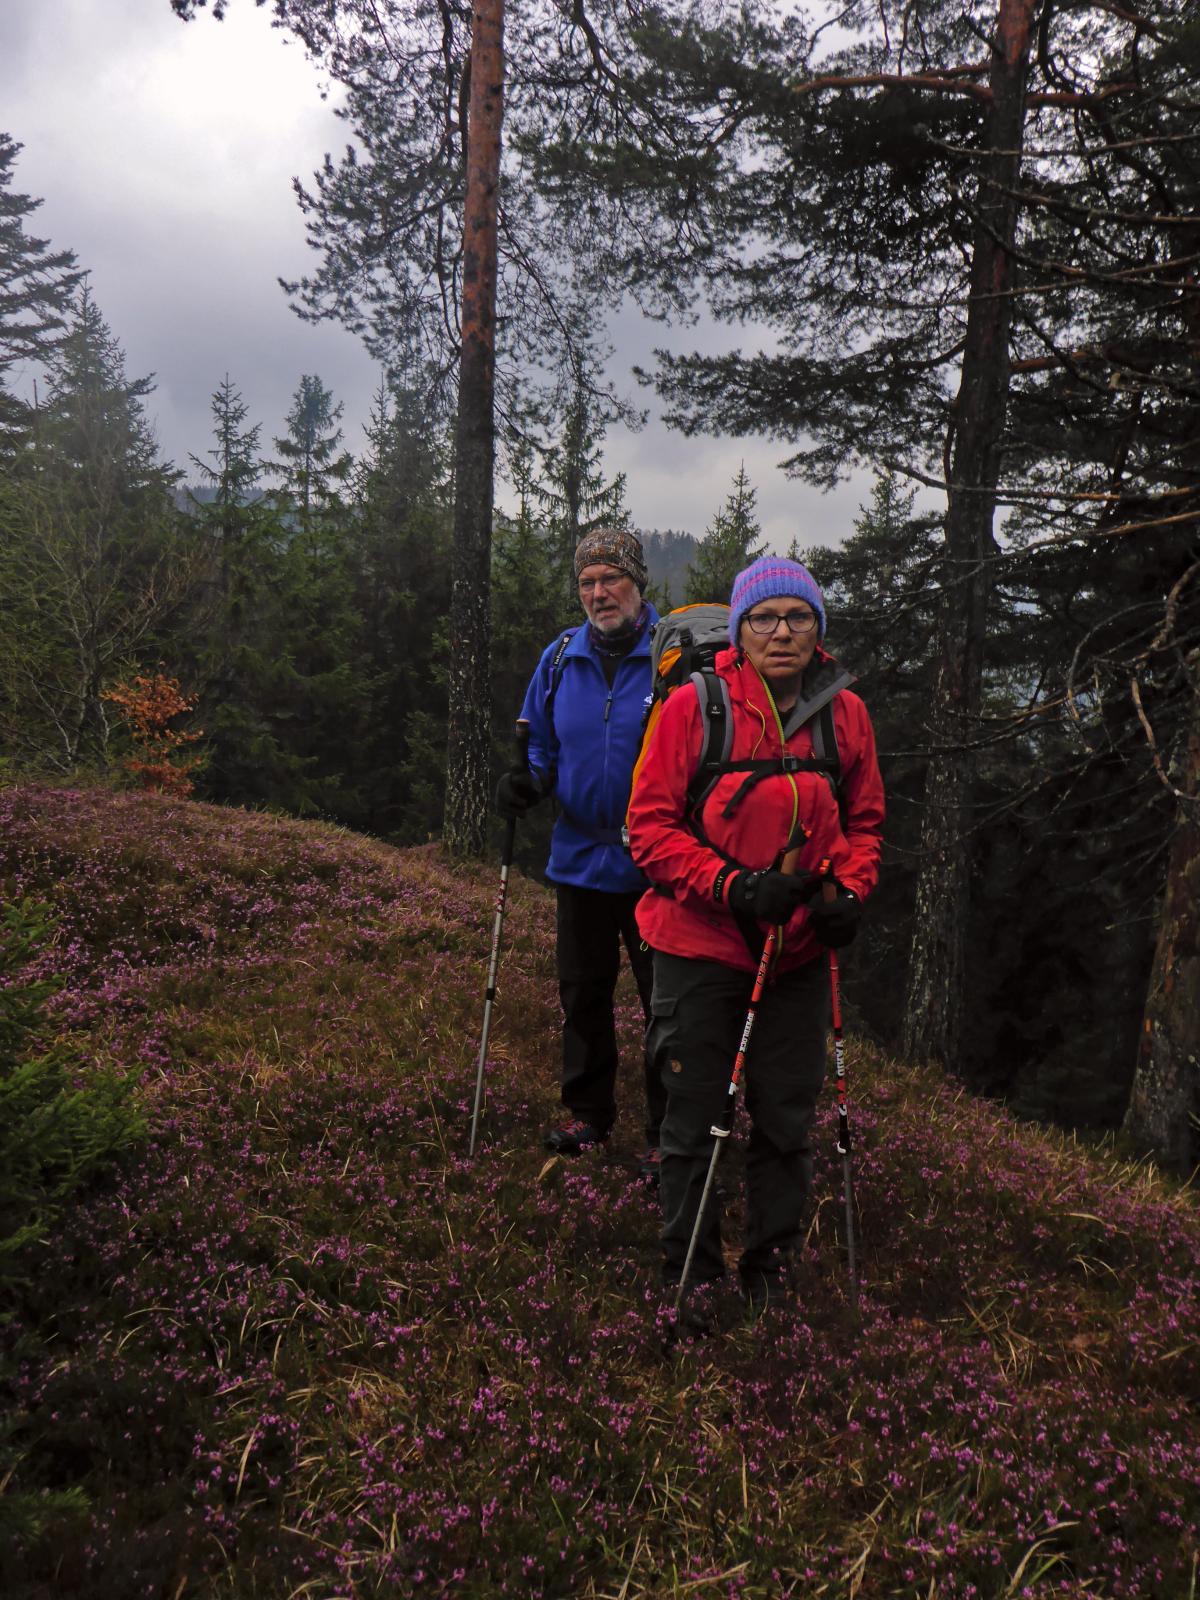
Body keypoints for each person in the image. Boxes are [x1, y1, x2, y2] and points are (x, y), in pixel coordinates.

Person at [625, 555, 884, 1312]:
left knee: (785, 1118)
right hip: (702, 945)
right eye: (765, 618)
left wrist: (850, 894)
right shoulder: (695, 707)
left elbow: (864, 823)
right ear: (740, 630)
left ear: (817, 629)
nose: (782, 631)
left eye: (798, 617)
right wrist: (731, 886)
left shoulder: (847, 714)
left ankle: (769, 1272)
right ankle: (692, 1275)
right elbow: (648, 828)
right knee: (696, 1115)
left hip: (800, 953)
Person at [496, 527, 668, 1173]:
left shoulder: (669, 659)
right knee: (583, 995)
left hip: (656, 867)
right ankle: (588, 1116)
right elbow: (540, 743)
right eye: (587, 582)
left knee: (665, 1007)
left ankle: (666, 1134)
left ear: (637, 582)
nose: (599, 593)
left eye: (611, 579)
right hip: (579, 859)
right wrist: (529, 781)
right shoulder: (561, 655)